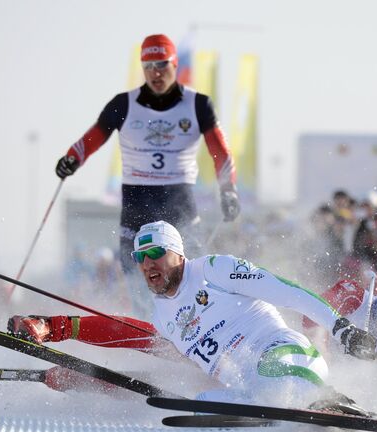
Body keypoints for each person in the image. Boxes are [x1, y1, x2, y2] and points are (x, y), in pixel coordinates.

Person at [8, 221, 377, 413]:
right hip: (247, 388)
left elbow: (285, 290)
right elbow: (128, 334)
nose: (147, 263)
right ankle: (292, 407)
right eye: (140, 257)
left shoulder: (215, 269)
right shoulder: (164, 316)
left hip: (285, 354)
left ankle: (324, 400)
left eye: (156, 252)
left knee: (274, 376)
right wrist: (55, 327)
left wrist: (340, 326)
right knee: (199, 400)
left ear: (178, 253)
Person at [54, 34, 240, 273]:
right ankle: (143, 310)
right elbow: (92, 139)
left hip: (178, 196)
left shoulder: (197, 104)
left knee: (190, 269)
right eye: (149, 66)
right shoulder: (123, 104)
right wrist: (72, 159)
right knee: (137, 272)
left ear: (174, 65)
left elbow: (220, 152)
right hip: (137, 197)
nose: (156, 73)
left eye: (162, 65)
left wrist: (228, 191)